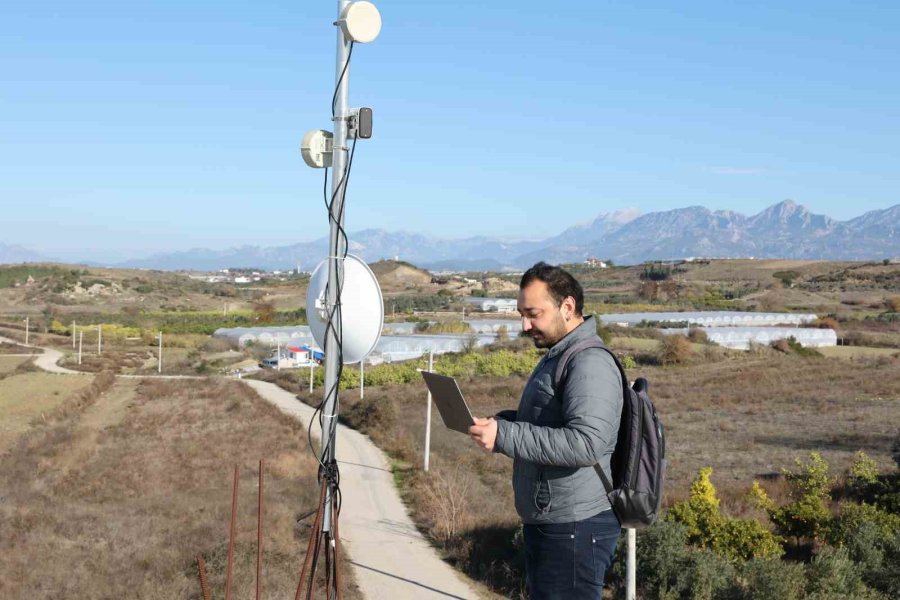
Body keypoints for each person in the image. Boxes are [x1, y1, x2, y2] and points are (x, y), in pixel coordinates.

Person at [468, 261, 623, 599]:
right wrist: (500, 425)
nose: (525, 325)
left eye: (533, 313)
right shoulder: (559, 354)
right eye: (522, 314)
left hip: (576, 526)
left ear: (567, 307)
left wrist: (505, 436)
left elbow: (586, 443)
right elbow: (548, 423)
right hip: (556, 521)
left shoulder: (589, 362)